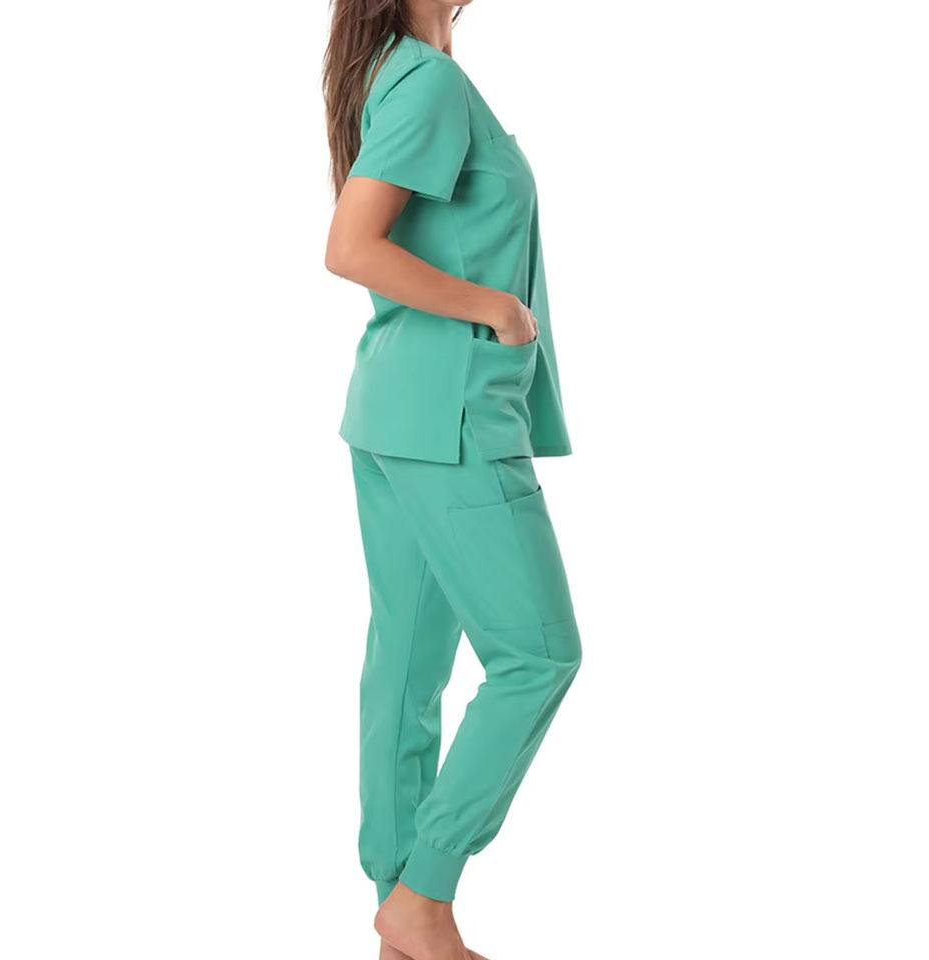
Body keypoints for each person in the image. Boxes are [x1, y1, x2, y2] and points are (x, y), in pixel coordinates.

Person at [323, 4, 582, 958]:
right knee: (539, 655)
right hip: (452, 417)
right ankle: (423, 893)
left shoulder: (404, 70)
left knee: (407, 663)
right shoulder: (427, 82)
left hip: (399, 414)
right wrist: (495, 308)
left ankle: (400, 912)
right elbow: (351, 246)